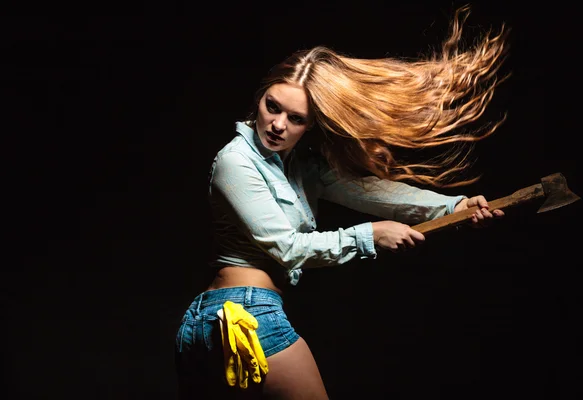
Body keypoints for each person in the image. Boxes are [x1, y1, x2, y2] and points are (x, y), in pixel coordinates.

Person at [174, 4, 510, 399]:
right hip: (244, 316)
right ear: (259, 97)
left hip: (217, 318)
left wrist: (452, 207)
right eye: (273, 106)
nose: (278, 124)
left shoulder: (300, 166)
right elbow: (287, 247)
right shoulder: (236, 160)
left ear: (311, 124)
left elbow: (372, 192)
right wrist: (368, 236)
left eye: (296, 119)